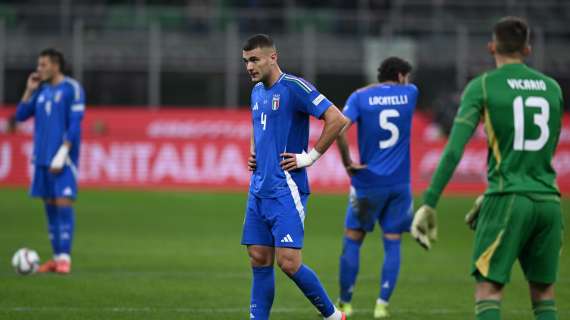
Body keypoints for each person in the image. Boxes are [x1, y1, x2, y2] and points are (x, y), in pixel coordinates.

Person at [411, 17, 563, 320]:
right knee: (544, 294)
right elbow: (545, 150)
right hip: (549, 202)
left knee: (489, 290)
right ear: (528, 49)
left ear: (491, 47)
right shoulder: (552, 88)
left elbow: (454, 150)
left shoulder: (482, 86)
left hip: (508, 198)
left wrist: (429, 202)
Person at [240, 34, 349, 320]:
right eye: (246, 61)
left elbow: (337, 119)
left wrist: (309, 157)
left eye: (254, 60)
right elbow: (257, 124)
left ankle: (334, 316)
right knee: (259, 259)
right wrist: (254, 151)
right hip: (258, 188)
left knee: (288, 263)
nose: (249, 67)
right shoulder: (257, 92)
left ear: (272, 57)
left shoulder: (294, 87)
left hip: (285, 188)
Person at [335, 57, 418, 318]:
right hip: (400, 185)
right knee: (393, 241)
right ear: (402, 75)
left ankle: (345, 304)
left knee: (353, 239)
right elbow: (393, 91)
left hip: (368, 182)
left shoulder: (360, 97)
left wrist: (348, 163)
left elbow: (338, 127)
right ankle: (382, 305)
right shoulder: (411, 93)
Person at [9, 48, 85, 274]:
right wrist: (28, 90)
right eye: (39, 64)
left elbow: (75, 123)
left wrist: (64, 152)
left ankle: (65, 259)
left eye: (43, 65)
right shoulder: (40, 90)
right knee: (50, 210)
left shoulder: (72, 88)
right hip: (41, 159)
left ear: (56, 65)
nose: (39, 69)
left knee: (63, 206)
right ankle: (55, 258)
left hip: (62, 159)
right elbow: (21, 116)